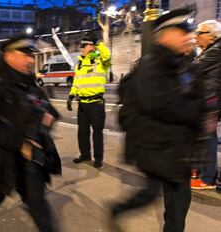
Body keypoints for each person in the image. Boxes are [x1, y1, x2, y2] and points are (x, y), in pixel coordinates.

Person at [111, 7, 208, 232]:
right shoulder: (151, 65)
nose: (189, 37)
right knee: (163, 200)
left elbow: (195, 95)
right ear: (165, 35)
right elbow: (158, 104)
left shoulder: (182, 64)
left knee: (174, 204)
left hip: (176, 149)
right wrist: (196, 109)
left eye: (190, 32)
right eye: (182, 32)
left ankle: (121, 211)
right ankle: (118, 210)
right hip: (157, 147)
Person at [0, 35, 60, 232]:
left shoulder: (30, 84)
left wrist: (48, 117)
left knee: (38, 204)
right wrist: (21, 143)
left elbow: (47, 108)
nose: (31, 60)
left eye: (32, 55)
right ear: (9, 56)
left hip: (28, 162)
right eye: (25, 55)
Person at [67, 33, 111, 168]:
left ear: (91, 46)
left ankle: (98, 158)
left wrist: (98, 44)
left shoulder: (100, 60)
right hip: (83, 104)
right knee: (82, 132)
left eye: (84, 46)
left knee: (97, 132)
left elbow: (107, 56)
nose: (82, 49)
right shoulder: (80, 63)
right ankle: (85, 155)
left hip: (95, 103)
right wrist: (71, 95)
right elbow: (77, 82)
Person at [191, 20, 221, 190]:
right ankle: (203, 174)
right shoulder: (212, 49)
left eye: (199, 33)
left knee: (208, 139)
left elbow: (194, 68)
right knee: (205, 138)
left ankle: (207, 178)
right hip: (209, 101)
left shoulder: (216, 50)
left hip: (210, 102)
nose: (196, 36)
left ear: (211, 36)